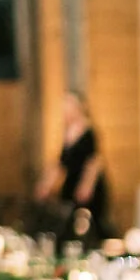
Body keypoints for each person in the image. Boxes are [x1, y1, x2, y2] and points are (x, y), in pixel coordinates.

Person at [34, 91, 109, 241]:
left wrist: (86, 185)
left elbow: (94, 161)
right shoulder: (68, 132)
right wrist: (46, 184)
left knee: (89, 223)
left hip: (87, 184)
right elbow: (61, 163)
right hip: (72, 182)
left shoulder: (88, 131)